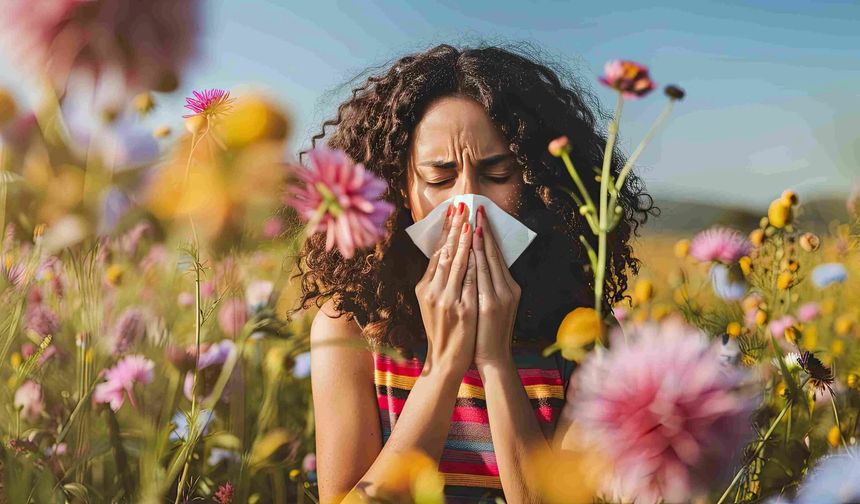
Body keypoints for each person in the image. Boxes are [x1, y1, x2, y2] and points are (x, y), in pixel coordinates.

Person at [288, 43, 656, 503]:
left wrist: (496, 363)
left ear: (538, 184)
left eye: (497, 174)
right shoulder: (348, 330)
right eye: (440, 179)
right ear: (399, 185)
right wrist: (443, 368)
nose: (468, 203)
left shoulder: (586, 337)